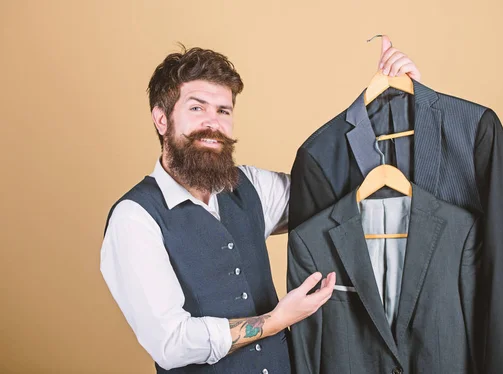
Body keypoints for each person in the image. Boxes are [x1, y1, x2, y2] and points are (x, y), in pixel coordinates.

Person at [100, 35, 421, 373]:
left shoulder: (250, 186)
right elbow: (171, 343)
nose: (213, 123)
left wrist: (397, 103)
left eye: (223, 110)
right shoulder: (134, 218)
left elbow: (339, 189)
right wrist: (278, 319)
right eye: (197, 108)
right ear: (162, 119)